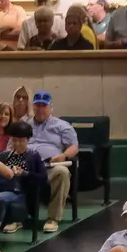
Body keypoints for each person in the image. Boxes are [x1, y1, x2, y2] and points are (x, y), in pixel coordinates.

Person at [27, 92, 78, 233]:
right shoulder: (25, 124)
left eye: (44, 106)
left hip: (49, 167)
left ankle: (53, 218)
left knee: (62, 172)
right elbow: (12, 144)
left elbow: (74, 147)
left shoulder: (62, 126)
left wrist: (64, 155)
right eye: (37, 105)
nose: (40, 109)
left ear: (51, 108)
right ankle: (15, 218)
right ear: (33, 107)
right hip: (26, 166)